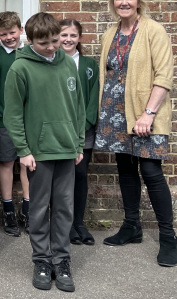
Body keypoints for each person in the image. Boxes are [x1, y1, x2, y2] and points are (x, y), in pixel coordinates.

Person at [95, 0, 177, 267]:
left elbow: (165, 76)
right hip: (115, 112)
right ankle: (132, 226)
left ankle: (168, 237)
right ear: (113, 3)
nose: (124, 3)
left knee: (151, 172)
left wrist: (149, 114)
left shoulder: (154, 31)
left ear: (138, 1)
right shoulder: (110, 33)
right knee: (126, 169)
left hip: (144, 113)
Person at [4, 13, 85, 292]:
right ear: (30, 40)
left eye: (55, 40)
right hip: (38, 152)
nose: (51, 47)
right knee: (38, 209)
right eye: (44, 43)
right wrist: (23, 150)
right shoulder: (20, 69)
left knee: (64, 208)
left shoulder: (68, 65)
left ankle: (61, 261)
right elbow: (12, 115)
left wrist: (78, 142)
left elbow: (79, 107)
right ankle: (41, 260)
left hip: (66, 149)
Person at [59, 19, 99, 246]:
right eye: (64, 35)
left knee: (81, 175)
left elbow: (93, 98)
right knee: (62, 177)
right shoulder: (52, 62)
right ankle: (65, 224)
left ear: (79, 38)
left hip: (83, 130)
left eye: (73, 35)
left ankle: (79, 223)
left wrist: (84, 124)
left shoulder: (89, 65)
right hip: (60, 130)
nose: (68, 39)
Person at [0, 11, 30, 237]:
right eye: (3, 34)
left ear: (21, 30)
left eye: (12, 32)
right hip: (4, 120)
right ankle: (8, 210)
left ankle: (27, 208)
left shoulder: (30, 53)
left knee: (27, 165)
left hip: (29, 121)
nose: (8, 37)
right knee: (6, 164)